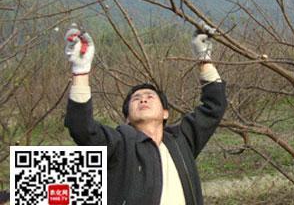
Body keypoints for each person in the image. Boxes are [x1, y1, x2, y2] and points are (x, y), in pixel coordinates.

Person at [64, 23, 227, 205]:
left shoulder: (182, 141)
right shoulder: (119, 144)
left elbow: (214, 107)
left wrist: (204, 60)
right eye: (136, 99)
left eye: (150, 96)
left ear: (165, 113)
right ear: (127, 118)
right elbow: (82, 128)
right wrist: (80, 72)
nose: (143, 99)